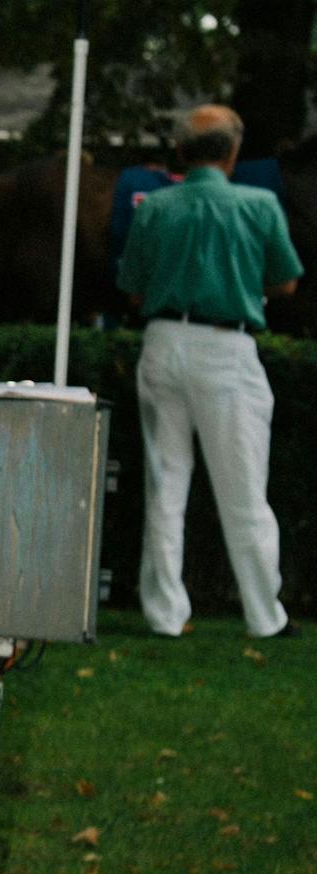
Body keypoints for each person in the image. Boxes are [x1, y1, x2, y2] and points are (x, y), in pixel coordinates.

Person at [120, 102, 301, 641]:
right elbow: (286, 281)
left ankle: (165, 614)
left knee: (165, 485)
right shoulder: (259, 204)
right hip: (227, 348)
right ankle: (264, 615)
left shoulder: (155, 207)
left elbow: (133, 289)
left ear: (179, 151)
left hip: (163, 341)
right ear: (233, 152)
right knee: (244, 490)